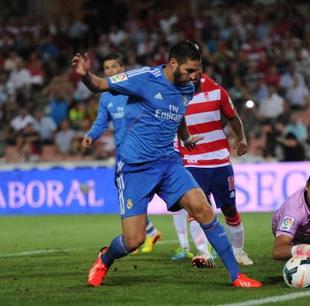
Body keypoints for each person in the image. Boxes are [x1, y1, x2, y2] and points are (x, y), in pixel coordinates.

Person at [72, 40, 261, 288]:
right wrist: (86, 75)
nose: (196, 76)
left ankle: (236, 276)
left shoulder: (188, 87)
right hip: (135, 168)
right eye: (191, 70)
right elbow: (99, 85)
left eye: (199, 69)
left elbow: (178, 113)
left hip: (168, 162)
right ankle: (105, 259)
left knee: (203, 209)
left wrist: (185, 138)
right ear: (173, 63)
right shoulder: (143, 78)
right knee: (133, 240)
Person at [171, 72, 253, 268]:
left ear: (200, 68)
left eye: (194, 69)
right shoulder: (173, 93)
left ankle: (239, 252)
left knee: (229, 209)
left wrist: (241, 138)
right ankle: (204, 253)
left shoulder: (216, 91)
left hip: (220, 161)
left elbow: (233, 117)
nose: (191, 75)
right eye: (187, 70)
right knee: (197, 209)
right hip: (191, 161)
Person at [81, 53, 161, 254]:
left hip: (145, 151)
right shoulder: (106, 97)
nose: (110, 71)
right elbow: (101, 121)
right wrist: (91, 135)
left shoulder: (135, 89)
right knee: (126, 197)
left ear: (123, 69)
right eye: (107, 68)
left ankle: (146, 234)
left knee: (139, 196)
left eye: (114, 67)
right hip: (123, 154)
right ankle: (143, 234)